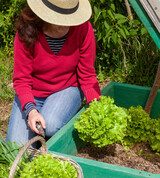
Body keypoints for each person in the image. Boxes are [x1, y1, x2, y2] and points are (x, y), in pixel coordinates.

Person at [6, 0, 101, 146]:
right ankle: (39, 128)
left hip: (67, 88)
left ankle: (49, 129)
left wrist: (96, 105)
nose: (65, 23)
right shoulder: (26, 31)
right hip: (32, 92)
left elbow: (87, 74)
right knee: (15, 150)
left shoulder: (83, 29)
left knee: (50, 124)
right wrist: (31, 111)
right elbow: (22, 79)